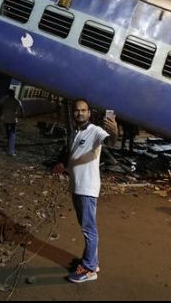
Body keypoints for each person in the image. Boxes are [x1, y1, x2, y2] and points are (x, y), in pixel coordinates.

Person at [51, 99, 118, 283]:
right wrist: (62, 163)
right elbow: (71, 152)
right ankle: (91, 262)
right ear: (73, 113)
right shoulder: (74, 133)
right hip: (76, 187)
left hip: (87, 188)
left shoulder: (95, 131)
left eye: (83, 110)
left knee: (89, 230)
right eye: (76, 111)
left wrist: (115, 131)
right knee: (86, 228)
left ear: (89, 113)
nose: (80, 113)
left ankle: (89, 269)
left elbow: (111, 141)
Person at [0, 88, 25, 156]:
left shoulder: (5, 99)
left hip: (6, 117)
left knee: (7, 129)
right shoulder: (17, 100)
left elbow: (0, 104)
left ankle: (8, 138)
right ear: (14, 94)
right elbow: (21, 108)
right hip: (13, 118)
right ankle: (10, 146)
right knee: (13, 131)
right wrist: (23, 116)